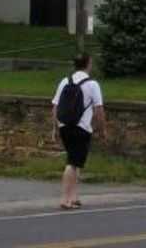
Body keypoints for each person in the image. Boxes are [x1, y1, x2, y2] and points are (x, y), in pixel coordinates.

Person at [51, 54, 106, 210]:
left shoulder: (64, 81)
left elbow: (55, 106)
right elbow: (99, 110)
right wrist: (102, 129)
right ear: (88, 64)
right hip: (81, 128)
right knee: (72, 163)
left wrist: (55, 128)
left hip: (64, 126)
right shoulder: (92, 84)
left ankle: (74, 197)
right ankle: (65, 199)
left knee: (76, 161)